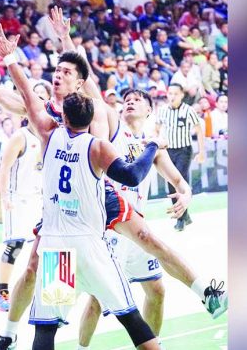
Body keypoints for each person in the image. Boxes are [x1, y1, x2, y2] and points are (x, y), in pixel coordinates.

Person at [0, 13, 226, 349]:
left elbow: (61, 80)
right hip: (84, 226)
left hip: (72, 227)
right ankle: (14, 334)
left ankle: (204, 293)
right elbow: (131, 172)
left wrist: (15, 57)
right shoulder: (74, 132)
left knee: (142, 272)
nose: (58, 76)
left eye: (65, 73)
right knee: (105, 304)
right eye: (57, 72)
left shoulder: (67, 126)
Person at [0, 33, 165, 346]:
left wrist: (11, 58)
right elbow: (133, 176)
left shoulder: (48, 134)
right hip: (91, 246)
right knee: (132, 320)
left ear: (63, 117)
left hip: (56, 246)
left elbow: (28, 94)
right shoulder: (98, 147)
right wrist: (152, 145)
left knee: (46, 329)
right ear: (92, 118)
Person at [78, 89, 201, 349]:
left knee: (156, 291)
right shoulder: (113, 129)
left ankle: (151, 344)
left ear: (149, 111)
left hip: (135, 230)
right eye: (127, 100)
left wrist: (186, 195)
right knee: (95, 301)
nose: (130, 102)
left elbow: (179, 181)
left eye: (137, 100)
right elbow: (91, 88)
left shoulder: (151, 145)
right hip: (109, 228)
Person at [0, 120, 44, 312]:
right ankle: (3, 292)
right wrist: (5, 196)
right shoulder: (20, 136)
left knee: (50, 244)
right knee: (15, 246)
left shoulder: (51, 132)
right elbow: (4, 168)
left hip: (41, 197)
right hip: (18, 199)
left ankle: (53, 294)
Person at [155, 84, 205, 230]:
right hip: (167, 150)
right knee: (171, 183)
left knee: (180, 179)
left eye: (175, 93)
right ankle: (185, 216)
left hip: (184, 150)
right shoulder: (162, 111)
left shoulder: (189, 110)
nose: (172, 96)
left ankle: (181, 218)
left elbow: (199, 130)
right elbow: (156, 128)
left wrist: (202, 152)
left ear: (182, 95)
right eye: (170, 93)